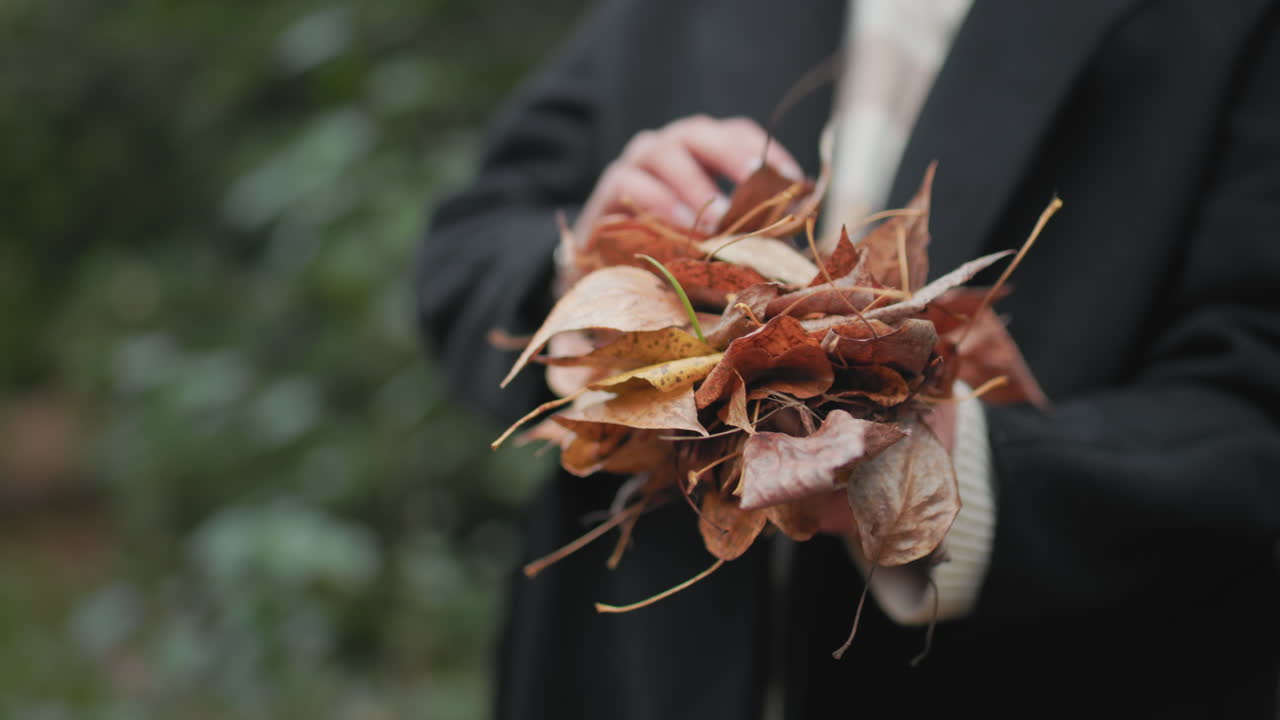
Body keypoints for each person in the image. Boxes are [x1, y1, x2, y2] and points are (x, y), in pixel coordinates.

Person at [416, 1, 1280, 718]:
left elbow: (1251, 408)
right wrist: (587, 263)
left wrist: (954, 480)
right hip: (624, 677)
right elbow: (468, 247)